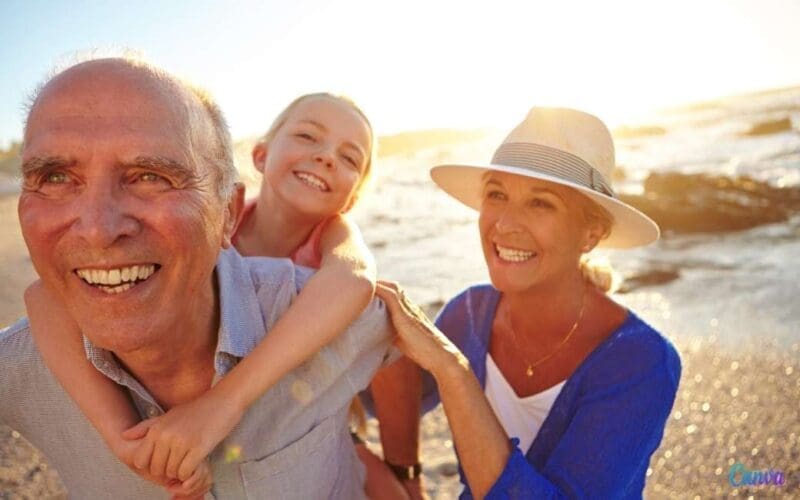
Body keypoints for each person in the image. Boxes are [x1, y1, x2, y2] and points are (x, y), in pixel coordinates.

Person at [1, 57, 394, 499]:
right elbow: (43, 297)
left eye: (349, 157)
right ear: (261, 156)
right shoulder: (217, 219)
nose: (326, 156)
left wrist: (223, 404)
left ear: (354, 193)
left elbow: (357, 284)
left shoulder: (330, 242)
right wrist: (121, 436)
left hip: (302, 395)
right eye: (307, 136)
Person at [374, 107, 682, 499]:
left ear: (591, 233)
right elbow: (390, 371)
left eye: (540, 203)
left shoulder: (642, 362)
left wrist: (453, 371)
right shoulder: (470, 313)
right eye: (497, 195)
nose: (504, 225)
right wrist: (406, 476)